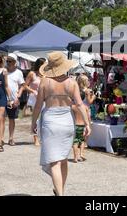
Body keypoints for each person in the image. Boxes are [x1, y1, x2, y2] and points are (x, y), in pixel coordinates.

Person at [31, 51, 91, 196]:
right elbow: (80, 104)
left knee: (54, 162)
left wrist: (33, 122)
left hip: (50, 121)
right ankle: (60, 191)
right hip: (66, 122)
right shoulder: (71, 83)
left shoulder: (45, 82)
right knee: (63, 159)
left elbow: (38, 105)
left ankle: (60, 193)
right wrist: (87, 124)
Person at [72, 74, 94, 162]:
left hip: (76, 115)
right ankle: (81, 153)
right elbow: (89, 102)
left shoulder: (76, 90)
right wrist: (94, 97)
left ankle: (76, 156)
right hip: (85, 112)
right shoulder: (88, 91)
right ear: (85, 82)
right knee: (83, 137)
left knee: (76, 139)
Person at [24, 58, 46, 146]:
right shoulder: (32, 74)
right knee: (36, 119)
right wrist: (32, 91)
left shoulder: (46, 74)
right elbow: (25, 85)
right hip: (34, 98)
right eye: (44, 64)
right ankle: (36, 138)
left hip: (45, 98)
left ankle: (43, 137)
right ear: (40, 65)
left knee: (44, 119)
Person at [5, 53, 25, 146]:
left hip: (14, 99)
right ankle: (0, 138)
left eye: (10, 61)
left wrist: (18, 97)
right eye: (7, 61)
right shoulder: (3, 71)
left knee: (11, 119)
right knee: (0, 119)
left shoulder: (19, 72)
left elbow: (22, 86)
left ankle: (11, 138)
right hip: (2, 98)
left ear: (15, 62)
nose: (8, 63)